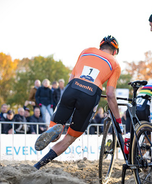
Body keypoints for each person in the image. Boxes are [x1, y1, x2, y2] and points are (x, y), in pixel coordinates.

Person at [34, 35, 122, 170]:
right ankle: (38, 165)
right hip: (91, 94)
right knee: (69, 138)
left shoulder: (86, 51)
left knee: (56, 130)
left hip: (72, 88)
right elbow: (110, 95)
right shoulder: (114, 63)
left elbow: (71, 77)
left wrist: (69, 95)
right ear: (115, 52)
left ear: (100, 46)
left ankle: (54, 132)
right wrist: (118, 119)